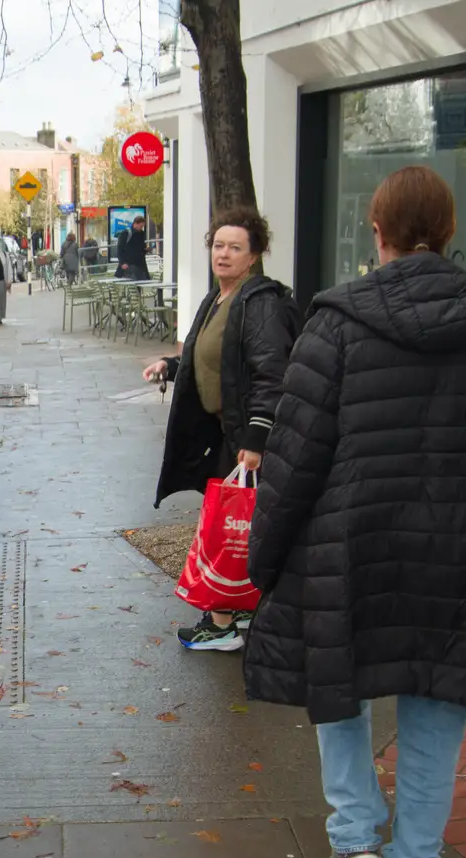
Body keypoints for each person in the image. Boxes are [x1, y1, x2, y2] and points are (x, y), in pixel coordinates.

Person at [245, 165, 466, 858]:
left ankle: (355, 835)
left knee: (338, 686)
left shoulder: (337, 325)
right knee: (437, 706)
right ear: (449, 233)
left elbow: (295, 453)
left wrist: (266, 555)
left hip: (353, 548)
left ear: (376, 232)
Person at [144, 205, 300, 652]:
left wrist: (256, 439)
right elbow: (212, 358)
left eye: (235, 247)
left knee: (227, 526)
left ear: (254, 256)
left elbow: (274, 374)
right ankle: (245, 611)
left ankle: (222, 622)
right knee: (242, 526)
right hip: (225, 433)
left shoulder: (261, 304)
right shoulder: (217, 299)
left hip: (247, 438)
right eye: (218, 245)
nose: (224, 254)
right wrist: (172, 366)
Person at [119, 216, 152, 281]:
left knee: (143, 280)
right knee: (134, 281)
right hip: (129, 264)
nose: (141, 228)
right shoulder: (126, 233)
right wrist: (122, 263)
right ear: (135, 224)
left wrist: (145, 250)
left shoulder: (141, 234)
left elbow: (141, 247)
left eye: (142, 226)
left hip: (140, 263)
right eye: (140, 226)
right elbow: (120, 249)